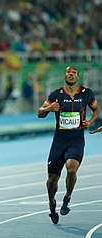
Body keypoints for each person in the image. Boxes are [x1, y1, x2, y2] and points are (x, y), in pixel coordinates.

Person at [37, 66, 100, 224]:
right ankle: (52, 204)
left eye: (73, 73)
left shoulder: (86, 93)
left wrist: (90, 122)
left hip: (76, 140)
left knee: (71, 170)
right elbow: (40, 112)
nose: (70, 74)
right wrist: (49, 108)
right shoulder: (56, 94)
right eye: (67, 72)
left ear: (78, 77)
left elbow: (96, 109)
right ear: (64, 75)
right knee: (52, 180)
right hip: (59, 141)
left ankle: (67, 198)